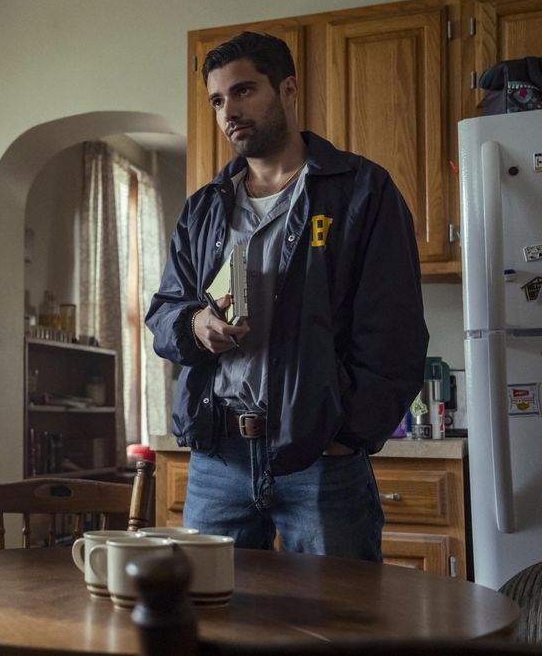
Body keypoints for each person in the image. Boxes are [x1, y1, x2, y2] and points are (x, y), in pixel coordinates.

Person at [145, 32, 428, 561]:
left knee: (336, 629)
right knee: (209, 625)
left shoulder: (362, 191)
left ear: (289, 88)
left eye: (245, 90)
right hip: (217, 460)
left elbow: (395, 333)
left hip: (321, 460)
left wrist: (346, 435)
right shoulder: (204, 209)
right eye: (217, 100)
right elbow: (164, 313)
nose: (229, 110)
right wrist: (194, 326)